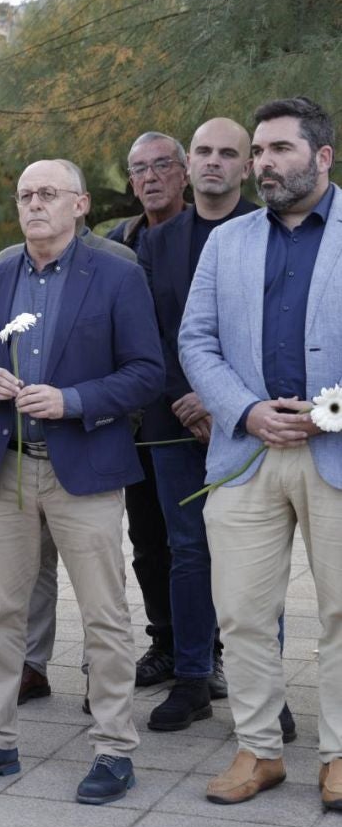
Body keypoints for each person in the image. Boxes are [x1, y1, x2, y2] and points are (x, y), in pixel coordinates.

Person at [0, 159, 163, 804]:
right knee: (0, 613)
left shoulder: (119, 277)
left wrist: (72, 399)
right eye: (25, 195)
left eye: (48, 194)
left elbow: (147, 372)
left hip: (86, 470)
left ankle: (115, 749)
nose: (34, 204)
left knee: (104, 615)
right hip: (7, 467)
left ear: (80, 205)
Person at [179, 97, 342, 810]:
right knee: (241, 611)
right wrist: (244, 409)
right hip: (245, 453)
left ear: (322, 156)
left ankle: (339, 755)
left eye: (279, 149)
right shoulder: (229, 241)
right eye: (259, 151)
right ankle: (257, 750)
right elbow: (196, 340)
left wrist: (331, 411)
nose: (263, 164)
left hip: (333, 449)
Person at [139, 118, 257, 732]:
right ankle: (191, 679)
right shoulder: (157, 243)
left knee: (252, 555)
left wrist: (223, 402)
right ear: (190, 165)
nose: (214, 162)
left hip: (247, 421)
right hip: (173, 418)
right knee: (186, 551)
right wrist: (188, 396)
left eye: (227, 153)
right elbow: (152, 332)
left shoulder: (270, 233)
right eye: (204, 152)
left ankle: (262, 690)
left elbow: (268, 336)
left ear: (247, 167)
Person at [103, 132, 187, 687]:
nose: (151, 177)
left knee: (196, 541)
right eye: (139, 169)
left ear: (183, 172)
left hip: (193, 417)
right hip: (133, 420)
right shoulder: (117, 241)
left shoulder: (217, 233)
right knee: (146, 541)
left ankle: (206, 652)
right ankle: (165, 642)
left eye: (162, 166)